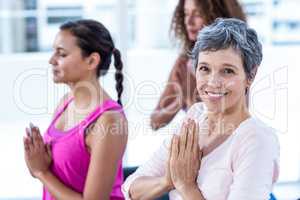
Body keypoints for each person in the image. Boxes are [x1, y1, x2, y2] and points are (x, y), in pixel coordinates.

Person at [123, 18, 280, 200]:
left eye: (227, 71)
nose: (213, 82)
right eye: (205, 68)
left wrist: (187, 186)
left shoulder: (257, 140)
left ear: (251, 75)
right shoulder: (196, 115)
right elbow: (131, 188)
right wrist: (168, 180)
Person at [23, 19, 128, 200]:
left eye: (61, 54)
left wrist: (41, 172)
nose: (51, 60)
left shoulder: (109, 120)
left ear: (92, 61)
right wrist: (39, 161)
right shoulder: (66, 102)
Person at [150, 0, 246, 130]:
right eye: (186, 13)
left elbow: (231, 124)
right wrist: (180, 98)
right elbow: (155, 122)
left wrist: (190, 99)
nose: (189, 21)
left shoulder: (235, 63)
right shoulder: (184, 63)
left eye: (198, 14)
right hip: (196, 144)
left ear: (217, 17)